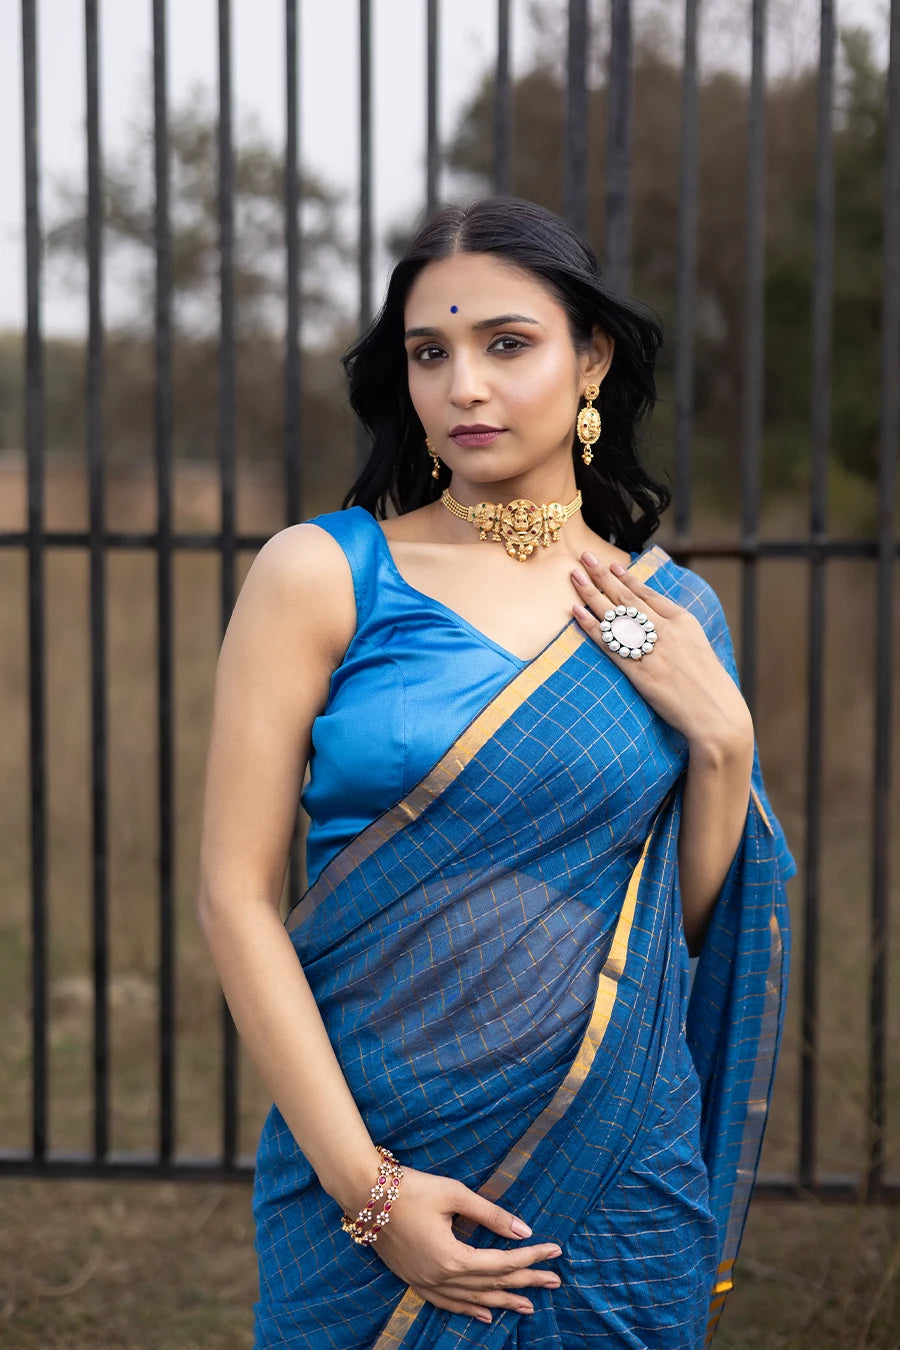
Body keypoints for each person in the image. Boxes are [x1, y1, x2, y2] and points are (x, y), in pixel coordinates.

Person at [196, 196, 794, 1349]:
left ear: (591, 361)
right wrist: (372, 1195)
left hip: (617, 1164)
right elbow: (233, 896)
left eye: (506, 344)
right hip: (372, 1154)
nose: (464, 385)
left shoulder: (652, 616)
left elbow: (684, 927)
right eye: (432, 352)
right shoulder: (325, 574)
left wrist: (722, 744)